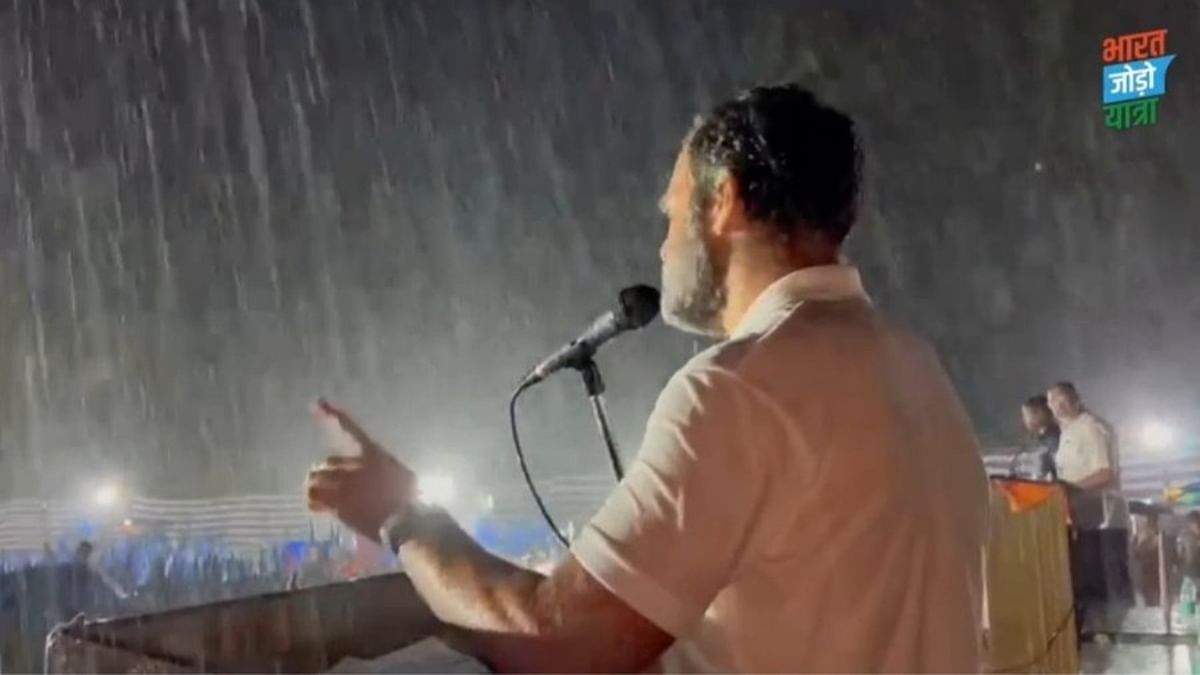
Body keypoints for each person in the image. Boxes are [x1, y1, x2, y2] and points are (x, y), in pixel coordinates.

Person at [305, 83, 991, 672]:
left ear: (725, 201)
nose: (664, 246)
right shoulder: (917, 370)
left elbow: (561, 642)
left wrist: (401, 515)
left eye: (671, 213)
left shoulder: (738, 388)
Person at [1046, 381, 1133, 614]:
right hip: (1083, 518)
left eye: (1061, 399)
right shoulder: (1068, 432)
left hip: (1105, 519)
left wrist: (1068, 488)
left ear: (1075, 399)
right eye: (1052, 401)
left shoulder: (1091, 427)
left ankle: (1120, 638)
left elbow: (1105, 473)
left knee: (1110, 587)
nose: (1056, 405)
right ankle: (1098, 636)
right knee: (1089, 584)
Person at [1017, 395, 1060, 480]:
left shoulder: (1052, 440)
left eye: (1026, 415)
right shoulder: (1046, 437)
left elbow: (1042, 472)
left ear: (1040, 414)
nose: (1024, 420)